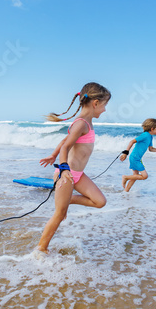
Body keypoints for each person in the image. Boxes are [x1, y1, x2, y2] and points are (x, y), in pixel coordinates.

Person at [36, 82, 111, 255]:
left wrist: (52, 155)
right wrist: (63, 167)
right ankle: (41, 248)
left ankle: (67, 199)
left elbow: (64, 141)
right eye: (105, 105)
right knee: (60, 215)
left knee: (100, 201)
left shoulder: (86, 123)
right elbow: (66, 147)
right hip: (66, 175)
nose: (105, 110)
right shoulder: (81, 123)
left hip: (77, 174)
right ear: (95, 103)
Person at [120, 118, 156, 192]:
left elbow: (151, 149)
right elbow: (132, 141)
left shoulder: (150, 137)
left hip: (137, 158)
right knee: (144, 176)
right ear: (152, 128)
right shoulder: (145, 135)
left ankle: (126, 191)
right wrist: (125, 152)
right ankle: (125, 177)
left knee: (135, 176)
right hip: (134, 158)